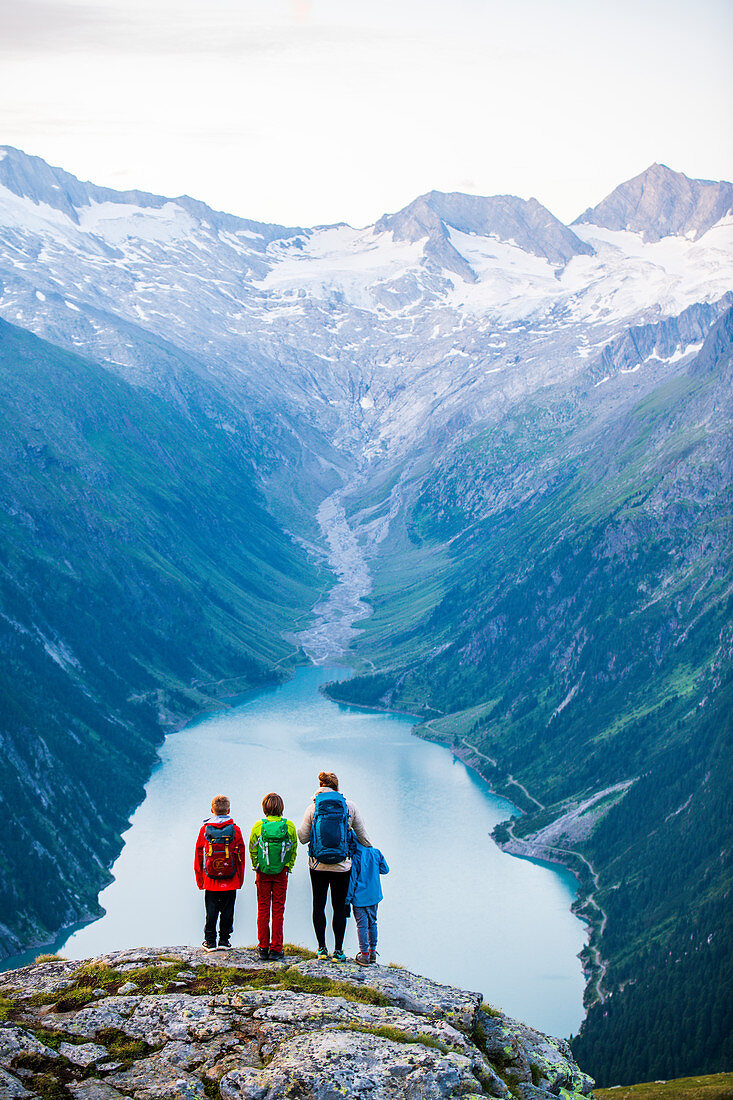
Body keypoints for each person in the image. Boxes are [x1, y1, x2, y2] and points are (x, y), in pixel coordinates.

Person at [297, 771, 371, 962]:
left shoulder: (312, 808)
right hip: (342, 866)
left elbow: (303, 838)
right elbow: (363, 837)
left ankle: (321, 949)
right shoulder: (349, 806)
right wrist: (372, 850)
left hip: (317, 864)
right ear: (337, 787)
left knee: (318, 904)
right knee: (338, 907)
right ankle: (338, 951)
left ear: (320, 785)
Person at [249, 792, 298, 962]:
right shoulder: (289, 826)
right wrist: (287, 866)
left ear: (264, 809)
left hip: (262, 872)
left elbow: (253, 849)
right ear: (281, 808)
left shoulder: (258, 826)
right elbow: (293, 849)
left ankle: (263, 947)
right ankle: (276, 948)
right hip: (281, 873)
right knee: (278, 910)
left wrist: (257, 866)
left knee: (263, 909)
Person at [194, 794, 245, 951]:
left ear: (212, 810)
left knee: (211, 910)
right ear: (228, 810)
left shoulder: (205, 830)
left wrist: (200, 880)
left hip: (210, 880)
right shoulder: (235, 830)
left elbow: (198, 856)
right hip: (231, 879)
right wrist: (239, 879)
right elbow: (241, 857)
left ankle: (209, 941)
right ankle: (224, 940)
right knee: (228, 910)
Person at [346, 839, 389, 965]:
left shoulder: (356, 857)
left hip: (359, 898)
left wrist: (347, 900)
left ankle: (364, 955)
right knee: (373, 923)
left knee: (362, 926)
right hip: (374, 896)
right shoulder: (376, 852)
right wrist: (373, 869)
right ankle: (372, 953)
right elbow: (385, 869)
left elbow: (352, 881)